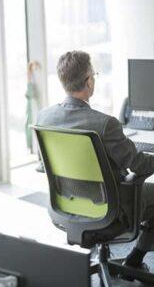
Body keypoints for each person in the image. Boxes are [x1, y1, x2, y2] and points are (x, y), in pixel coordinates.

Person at [37, 51, 154, 271]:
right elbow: (138, 164)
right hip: (109, 209)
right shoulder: (105, 124)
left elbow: (43, 165)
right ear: (89, 81)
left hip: (64, 205)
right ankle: (136, 260)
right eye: (94, 75)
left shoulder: (44, 118)